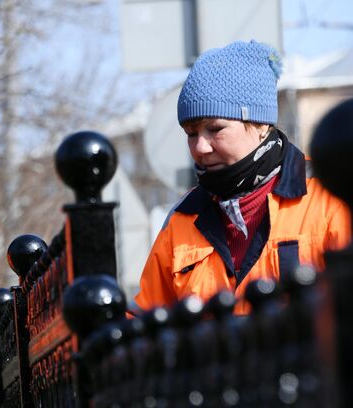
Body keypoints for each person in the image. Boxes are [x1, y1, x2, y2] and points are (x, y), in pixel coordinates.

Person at [133, 40, 351, 315]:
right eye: (191, 133)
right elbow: (142, 328)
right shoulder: (180, 220)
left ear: (260, 124)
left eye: (215, 129)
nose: (200, 147)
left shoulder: (329, 195)